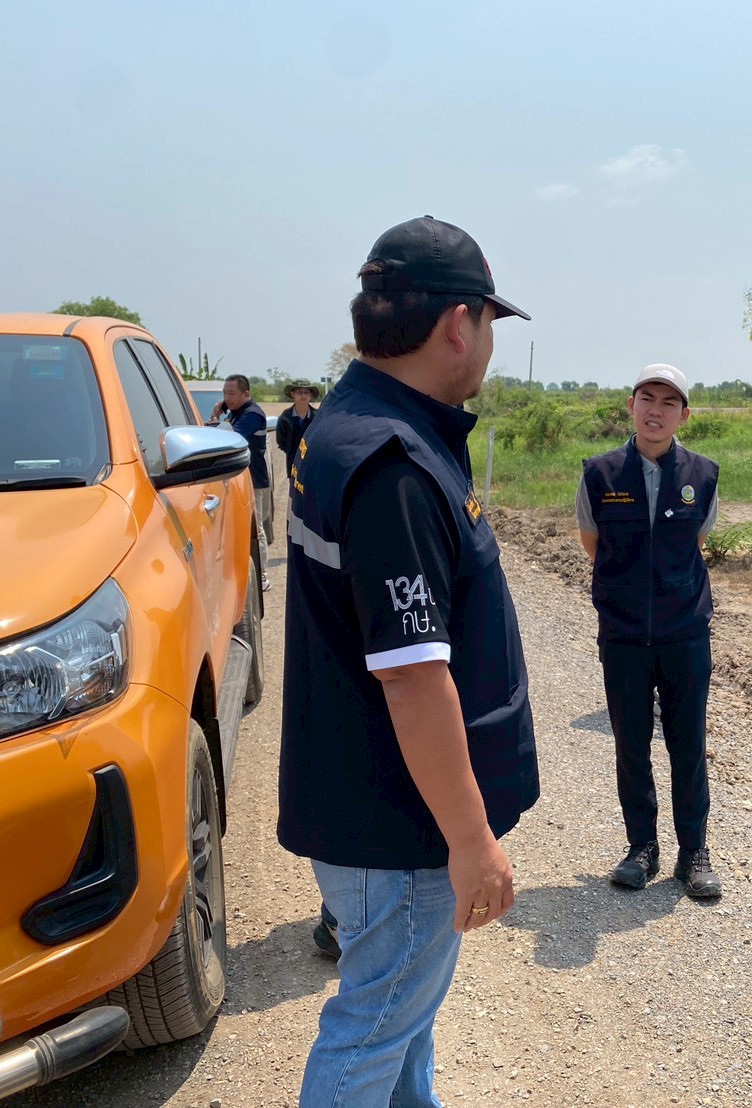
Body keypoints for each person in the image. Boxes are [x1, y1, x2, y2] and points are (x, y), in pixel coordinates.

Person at [277, 215, 539, 1107]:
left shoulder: (350, 425)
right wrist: (470, 841)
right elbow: (412, 675)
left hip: (370, 805)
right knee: (374, 1026)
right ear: (459, 323)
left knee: (401, 1021)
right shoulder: (395, 467)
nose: (489, 343)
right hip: (400, 827)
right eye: (491, 322)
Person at [576, 364, 722, 898]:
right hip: (623, 635)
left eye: (668, 402)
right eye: (647, 398)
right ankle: (641, 847)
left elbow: (696, 544)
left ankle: (693, 852)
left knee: (688, 744)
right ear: (631, 406)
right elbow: (593, 544)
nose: (656, 410)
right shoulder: (600, 473)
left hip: (685, 634)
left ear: (684, 414)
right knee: (631, 744)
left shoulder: (703, 474)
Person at [214, 373, 272, 590]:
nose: (227, 398)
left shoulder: (252, 415)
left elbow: (229, 438)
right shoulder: (237, 412)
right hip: (237, 480)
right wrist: (219, 411)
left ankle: (262, 576)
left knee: (256, 529)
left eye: (231, 393)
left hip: (254, 481)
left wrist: (217, 419)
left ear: (246, 394)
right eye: (224, 393)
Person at [276, 379, 321, 463]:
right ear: (292, 394)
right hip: (293, 463)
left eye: (306, 392)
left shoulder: (318, 417)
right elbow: (281, 442)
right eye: (300, 392)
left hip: (313, 462)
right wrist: (293, 452)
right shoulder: (285, 418)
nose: (303, 395)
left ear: (311, 395)